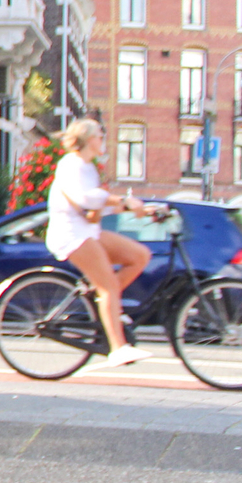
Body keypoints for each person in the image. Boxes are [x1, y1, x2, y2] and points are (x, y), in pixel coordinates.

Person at [45, 117, 153, 367]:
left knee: (139, 256)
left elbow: (94, 211)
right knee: (109, 288)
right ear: (88, 139)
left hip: (87, 231)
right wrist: (122, 201)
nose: (103, 141)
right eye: (100, 136)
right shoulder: (71, 165)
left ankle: (108, 308)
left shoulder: (88, 167)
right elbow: (84, 199)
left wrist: (135, 209)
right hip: (71, 234)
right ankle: (117, 348)